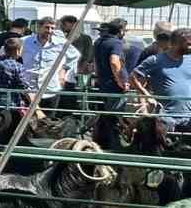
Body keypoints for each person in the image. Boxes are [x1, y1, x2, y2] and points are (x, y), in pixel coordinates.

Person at [91, 18, 142, 150]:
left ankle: (101, 142)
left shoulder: (98, 42)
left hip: (102, 84)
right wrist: (122, 82)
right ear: (121, 31)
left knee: (104, 116)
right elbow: (114, 61)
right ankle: (114, 145)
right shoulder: (116, 43)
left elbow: (96, 63)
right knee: (115, 118)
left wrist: (98, 77)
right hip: (114, 86)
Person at [130, 28, 191, 134]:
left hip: (188, 117)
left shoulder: (189, 59)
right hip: (166, 118)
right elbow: (133, 77)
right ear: (177, 43)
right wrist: (146, 96)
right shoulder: (155, 60)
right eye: (189, 44)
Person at [20, 17, 79, 105]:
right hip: (29, 89)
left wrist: (64, 70)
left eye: (53, 28)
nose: (50, 31)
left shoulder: (61, 43)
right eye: (47, 27)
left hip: (51, 90)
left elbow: (75, 55)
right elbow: (6, 52)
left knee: (49, 118)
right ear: (39, 28)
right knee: (27, 118)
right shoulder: (25, 41)